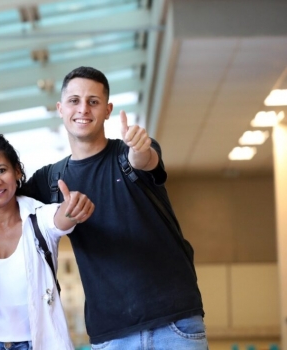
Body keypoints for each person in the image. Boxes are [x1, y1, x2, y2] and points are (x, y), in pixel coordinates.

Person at [23, 66, 208, 349]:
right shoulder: (49, 180)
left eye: (93, 101)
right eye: (74, 100)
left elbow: (145, 159)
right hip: (111, 336)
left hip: (174, 324)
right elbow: (6, 206)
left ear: (108, 109)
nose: (83, 109)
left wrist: (139, 150)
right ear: (60, 108)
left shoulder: (128, 153)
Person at [0, 131, 95, 350]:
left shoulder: (39, 217)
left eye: (1, 170)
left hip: (35, 343)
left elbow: (61, 218)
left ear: (17, 171)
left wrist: (73, 208)